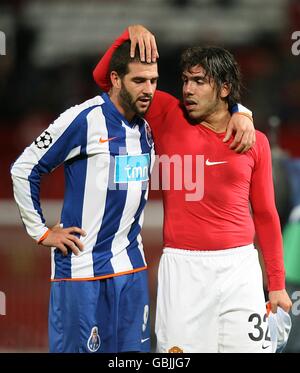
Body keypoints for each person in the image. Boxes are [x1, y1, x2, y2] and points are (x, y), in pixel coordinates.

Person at [93, 25, 292, 353]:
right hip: (183, 272)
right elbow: (108, 81)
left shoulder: (253, 141)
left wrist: (277, 285)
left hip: (240, 270)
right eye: (186, 80)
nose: (188, 89)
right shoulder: (168, 115)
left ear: (225, 88)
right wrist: (127, 35)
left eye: (199, 81)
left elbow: (267, 215)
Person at [11, 41, 159, 353]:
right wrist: (42, 232)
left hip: (131, 271)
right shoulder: (84, 119)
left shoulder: (146, 127)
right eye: (139, 80)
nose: (148, 89)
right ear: (116, 80)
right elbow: (24, 169)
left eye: (153, 81)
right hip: (81, 274)